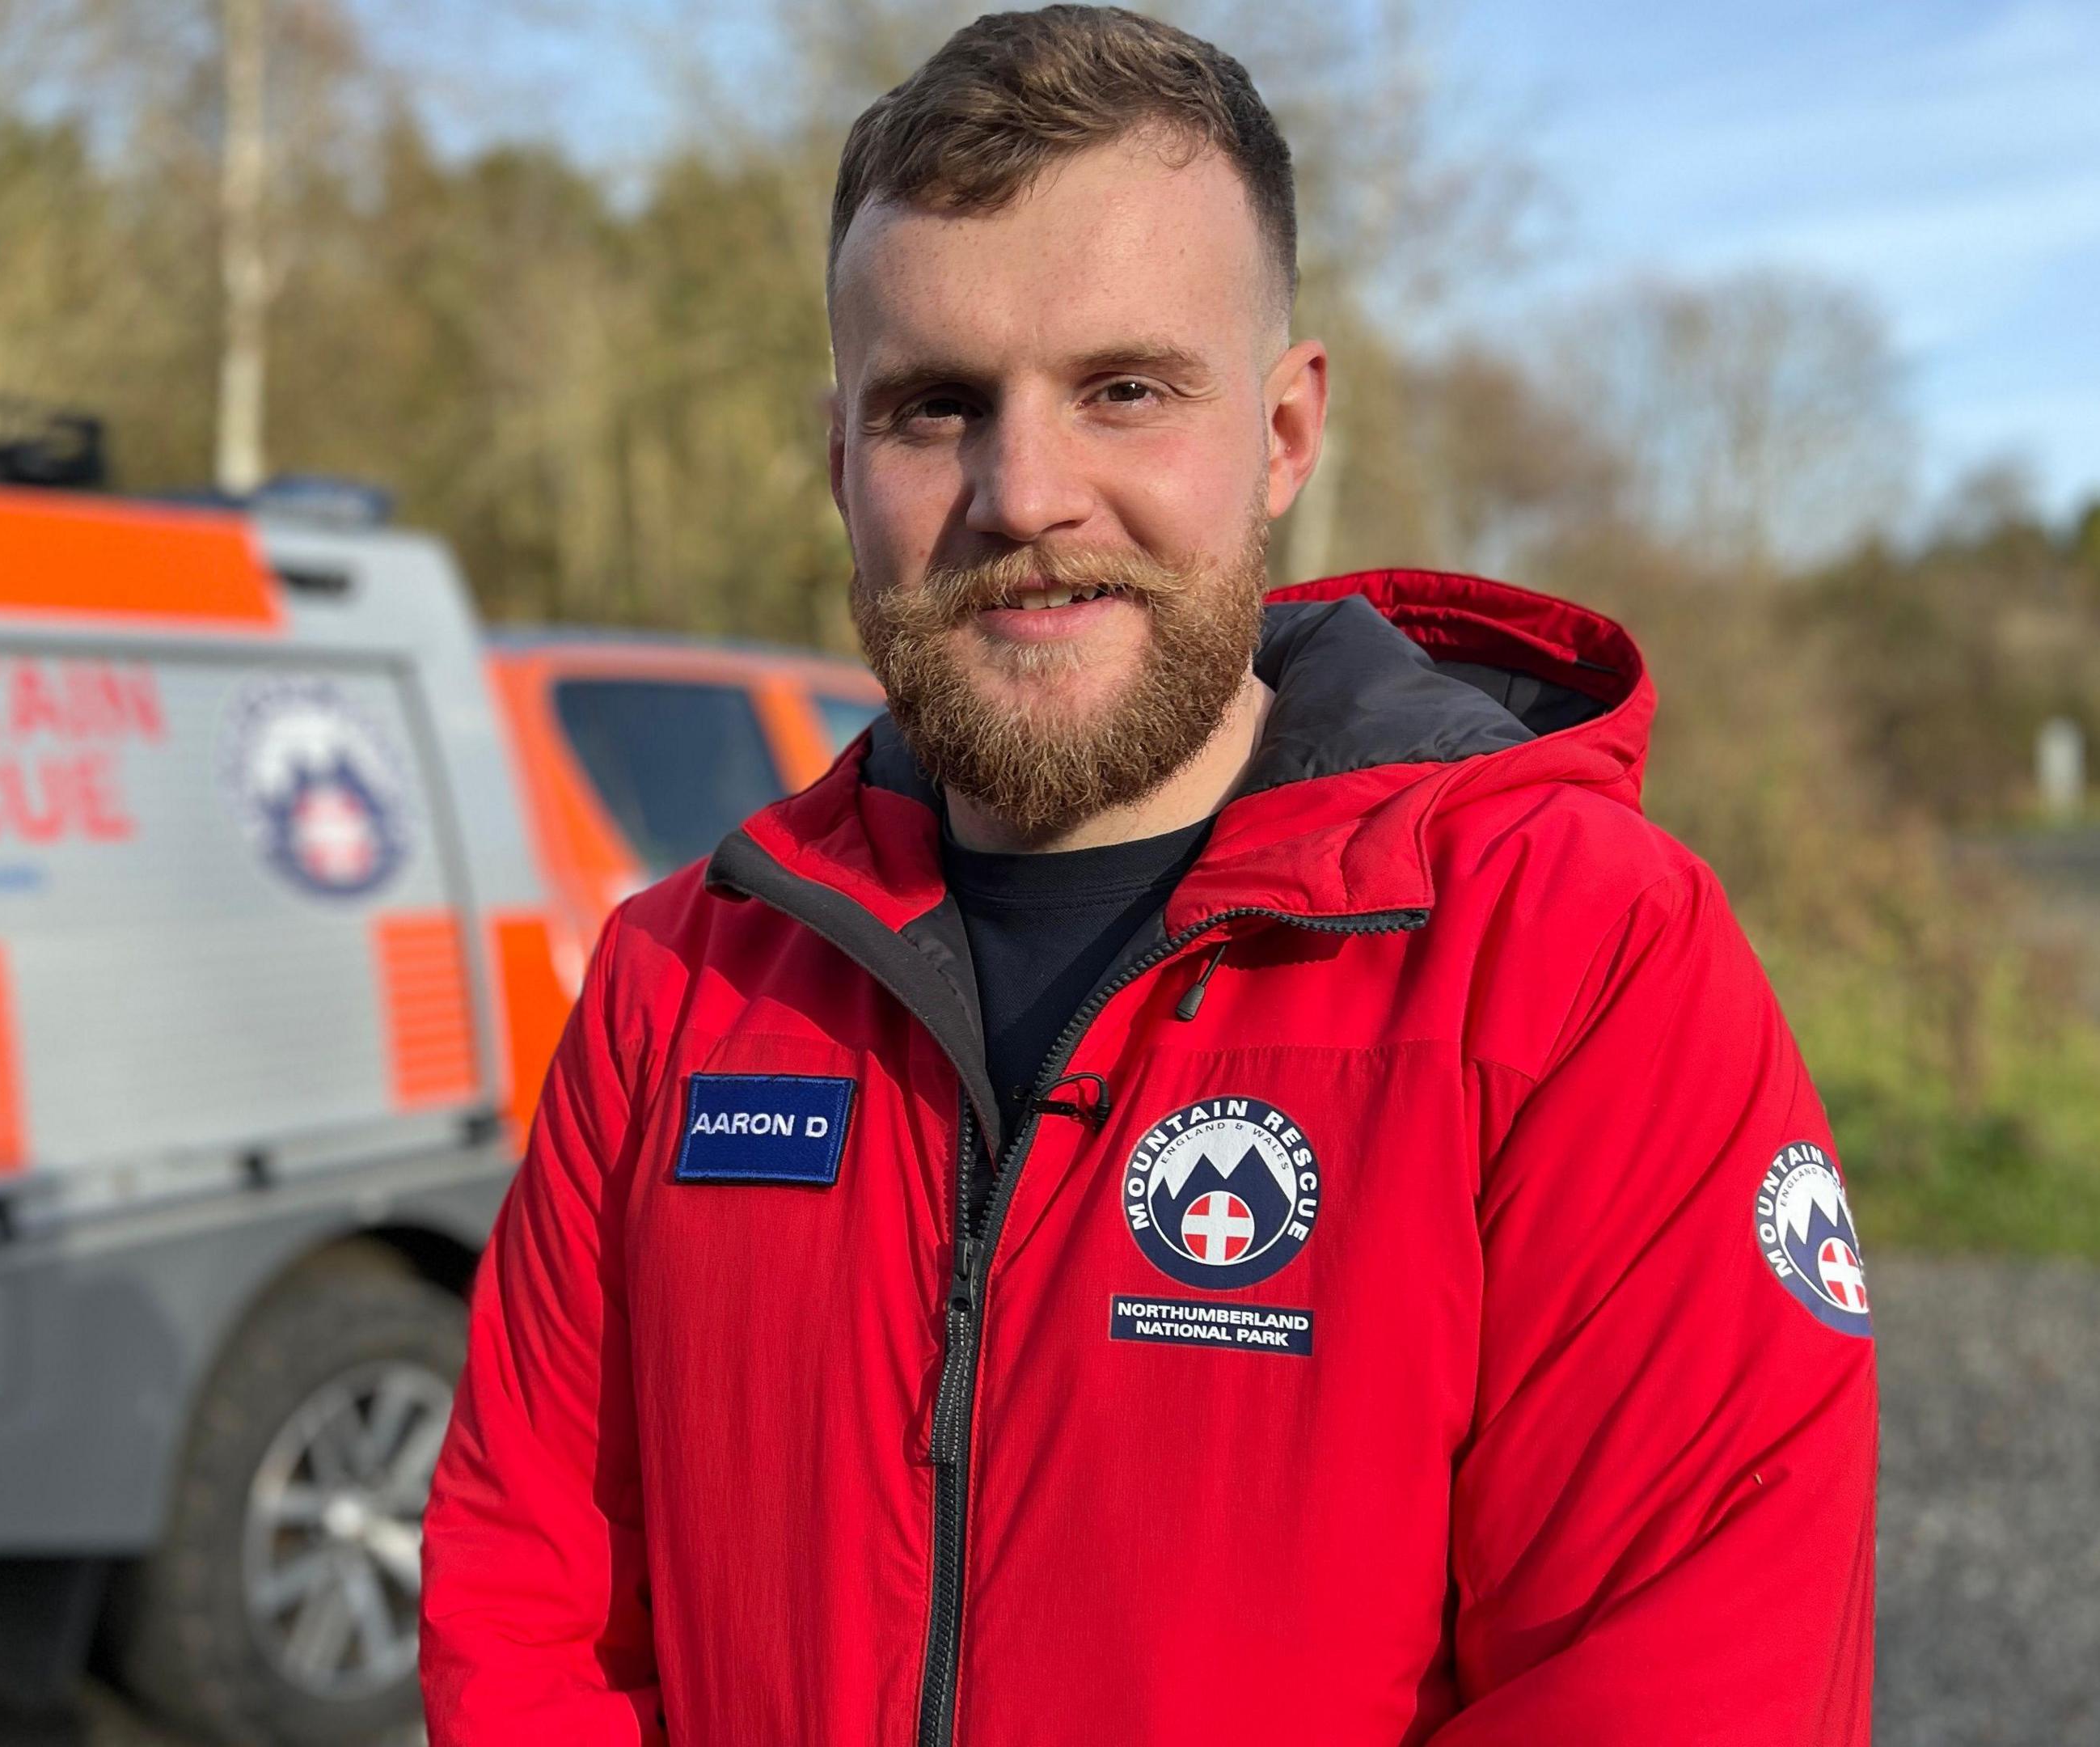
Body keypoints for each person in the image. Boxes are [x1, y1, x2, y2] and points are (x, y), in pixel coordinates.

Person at [418, 7, 1878, 1743]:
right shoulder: (681, 989)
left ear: (1281, 430)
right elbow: (533, 1628)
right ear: (838, 465)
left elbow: (1684, 1686)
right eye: (936, 407)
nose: (1026, 492)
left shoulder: (1579, 961)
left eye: (1124, 388)